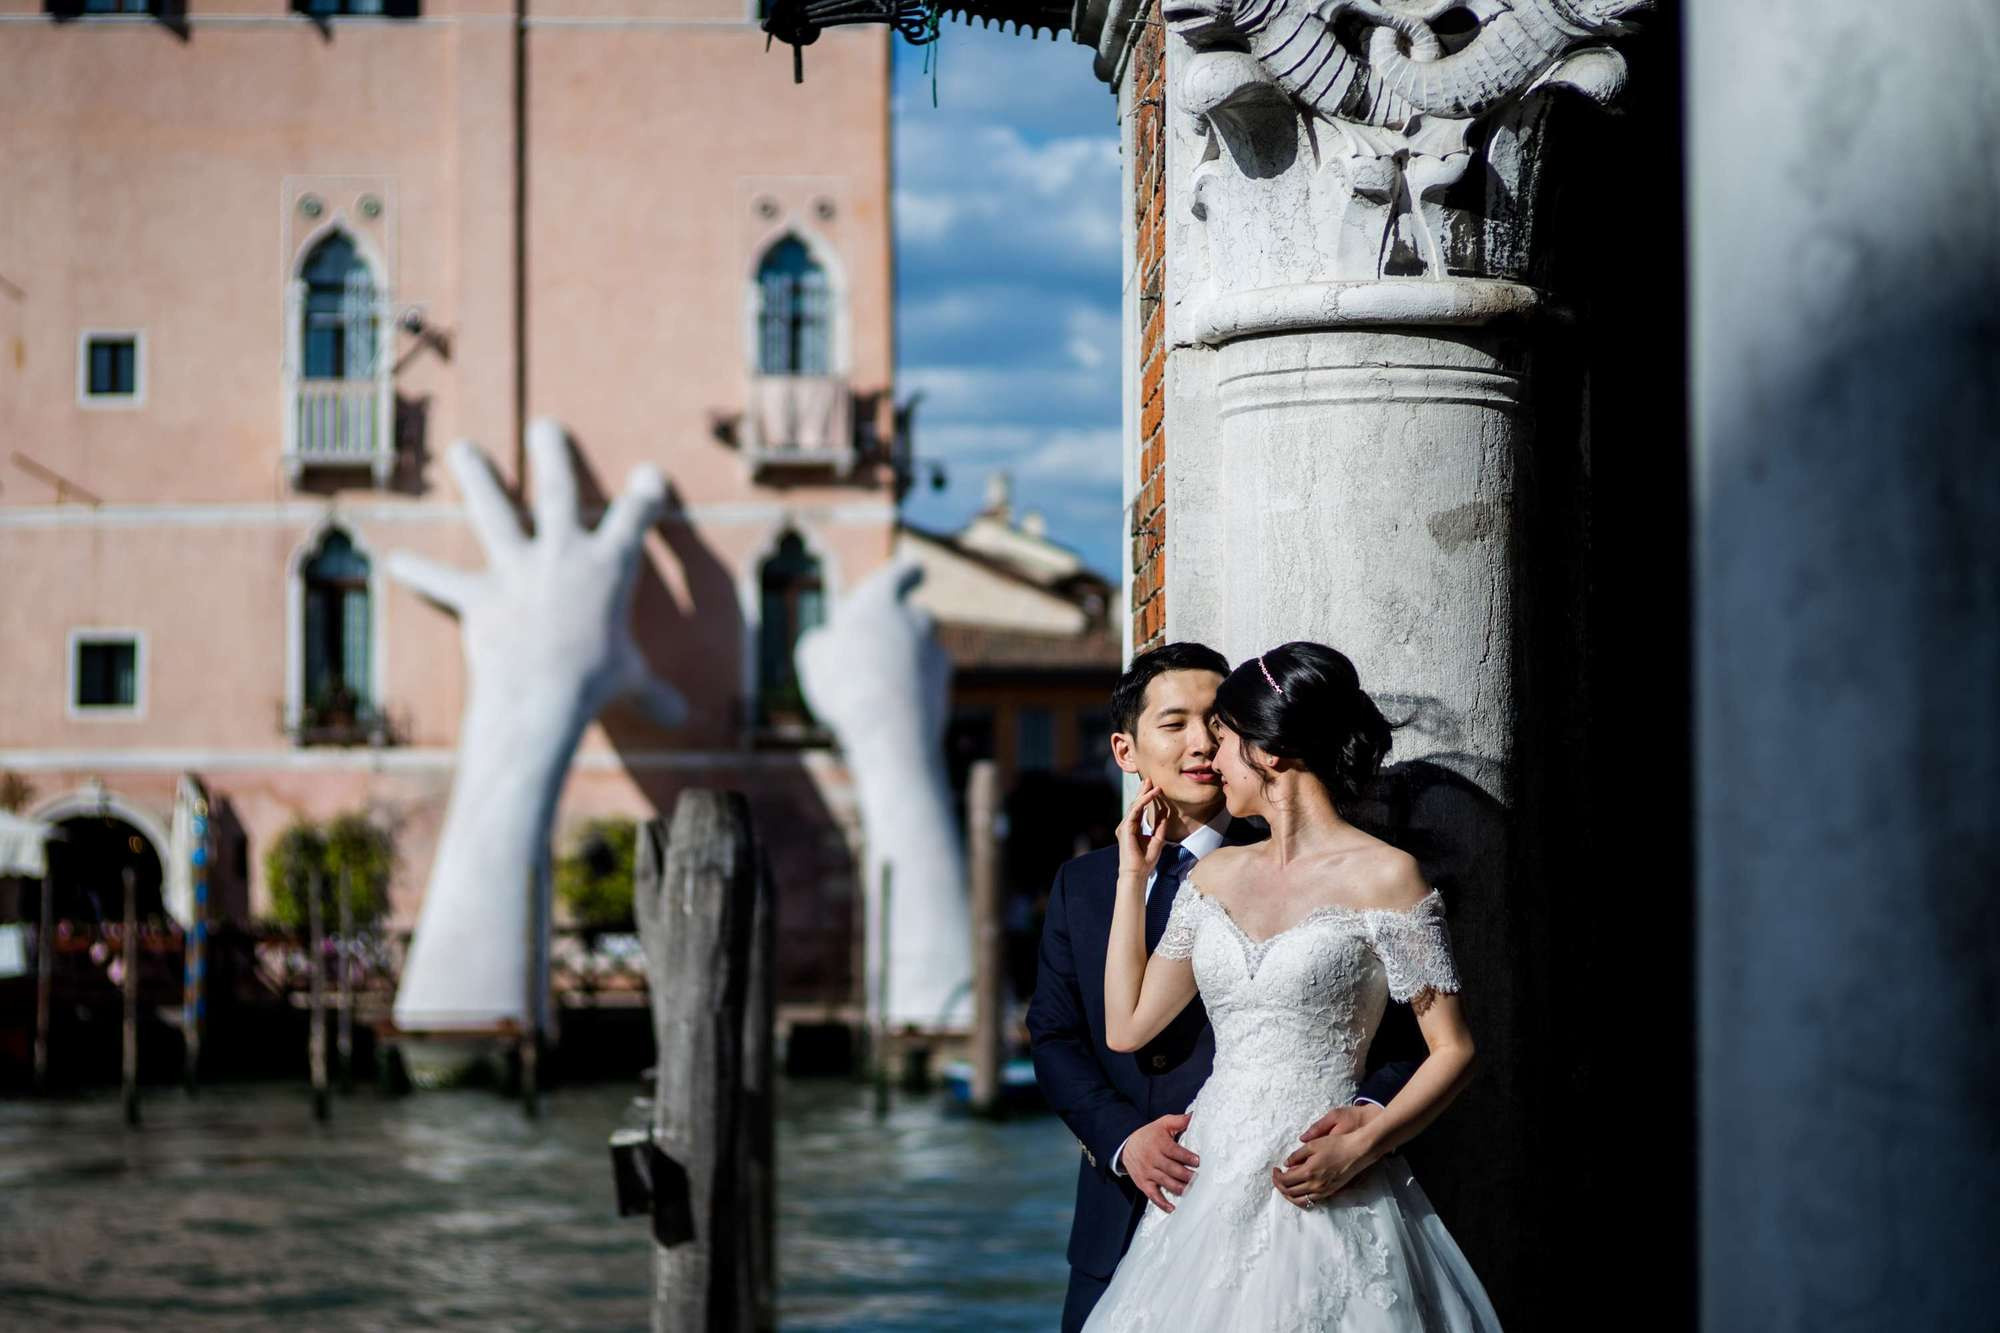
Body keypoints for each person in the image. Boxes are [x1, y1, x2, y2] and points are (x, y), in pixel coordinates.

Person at [1081, 641, 1502, 1330]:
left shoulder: (1387, 878)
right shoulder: (1211, 879)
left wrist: (1365, 1143)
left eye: (1221, 740)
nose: (1209, 760)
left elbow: (1453, 1049)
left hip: (1325, 1175)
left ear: (1270, 752)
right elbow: (1126, 1024)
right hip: (1209, 1178)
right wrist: (1133, 875)